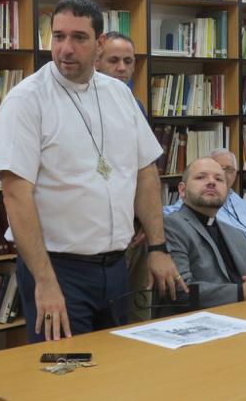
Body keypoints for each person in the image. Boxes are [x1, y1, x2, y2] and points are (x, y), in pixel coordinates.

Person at [0, 0, 186, 343]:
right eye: (58, 36)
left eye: (78, 37)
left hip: (116, 267)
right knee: (67, 371)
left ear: (99, 44)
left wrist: (158, 248)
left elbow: (145, 172)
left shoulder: (119, 95)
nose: (65, 48)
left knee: (116, 367)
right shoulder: (26, 101)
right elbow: (15, 195)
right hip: (58, 270)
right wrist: (45, 281)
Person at [96, 31, 148, 320]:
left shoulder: (134, 105)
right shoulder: (85, 103)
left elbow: (144, 168)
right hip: (97, 231)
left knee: (130, 311)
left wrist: (146, 219)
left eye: (128, 61)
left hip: (132, 225)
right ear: (97, 61)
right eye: (113, 60)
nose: (122, 68)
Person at [164, 157, 246, 308]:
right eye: (201, 177)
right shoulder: (170, 226)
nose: (212, 182)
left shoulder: (237, 235)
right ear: (182, 190)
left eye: (219, 179)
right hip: (196, 319)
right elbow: (179, 292)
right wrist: (241, 292)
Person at [164, 148, 246, 249]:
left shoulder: (238, 201)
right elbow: (171, 214)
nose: (224, 173)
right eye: (218, 167)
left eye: (229, 170)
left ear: (235, 174)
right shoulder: (200, 200)